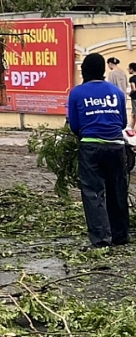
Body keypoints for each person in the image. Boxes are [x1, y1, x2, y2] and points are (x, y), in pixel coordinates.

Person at [67, 53, 129, 249]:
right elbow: (123, 122)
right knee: (117, 190)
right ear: (103, 70)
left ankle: (101, 239)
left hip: (91, 147)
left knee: (94, 192)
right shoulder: (116, 92)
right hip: (116, 147)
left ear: (85, 70)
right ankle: (120, 236)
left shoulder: (77, 93)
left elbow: (74, 125)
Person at [129, 63, 136, 131]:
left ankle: (132, 129)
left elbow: (134, 88)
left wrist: (130, 93)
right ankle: (131, 127)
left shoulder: (132, 78)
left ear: (132, 69)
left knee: (134, 113)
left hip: (134, 97)